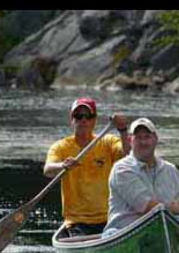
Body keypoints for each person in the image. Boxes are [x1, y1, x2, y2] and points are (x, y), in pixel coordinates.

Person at [102, 117, 179, 242]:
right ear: (130, 140)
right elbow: (148, 207)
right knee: (175, 219)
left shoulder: (170, 169)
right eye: (138, 138)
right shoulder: (122, 169)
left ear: (155, 139)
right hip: (122, 231)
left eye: (147, 137)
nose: (143, 142)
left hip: (161, 230)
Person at [44, 98, 130, 237]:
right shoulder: (60, 147)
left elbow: (128, 153)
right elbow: (48, 170)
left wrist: (123, 130)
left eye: (88, 116)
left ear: (94, 120)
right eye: (79, 116)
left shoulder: (107, 142)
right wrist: (63, 165)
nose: (83, 120)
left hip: (109, 218)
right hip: (77, 222)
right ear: (72, 120)